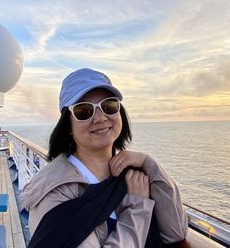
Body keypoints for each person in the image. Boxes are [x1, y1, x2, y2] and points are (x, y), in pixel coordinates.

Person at [21, 68, 188, 247]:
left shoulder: (132, 173)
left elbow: (175, 232)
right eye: (84, 111)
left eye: (109, 106)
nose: (100, 118)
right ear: (68, 125)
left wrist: (149, 163)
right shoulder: (54, 191)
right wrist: (137, 207)